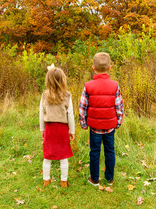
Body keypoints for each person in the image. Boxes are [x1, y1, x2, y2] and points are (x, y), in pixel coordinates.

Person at [79, 52, 124, 186]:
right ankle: (109, 178)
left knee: (94, 152)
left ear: (93, 68)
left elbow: (83, 107)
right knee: (110, 151)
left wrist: (83, 123)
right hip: (110, 127)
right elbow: (119, 106)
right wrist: (118, 122)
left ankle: (94, 179)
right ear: (110, 68)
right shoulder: (115, 85)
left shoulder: (88, 86)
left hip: (95, 128)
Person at [39, 64, 75, 188]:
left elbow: (41, 113)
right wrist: (72, 131)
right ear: (63, 80)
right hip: (62, 129)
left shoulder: (44, 95)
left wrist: (42, 129)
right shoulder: (66, 96)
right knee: (63, 156)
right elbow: (70, 114)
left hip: (49, 128)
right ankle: (63, 181)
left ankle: (46, 180)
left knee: (47, 155)